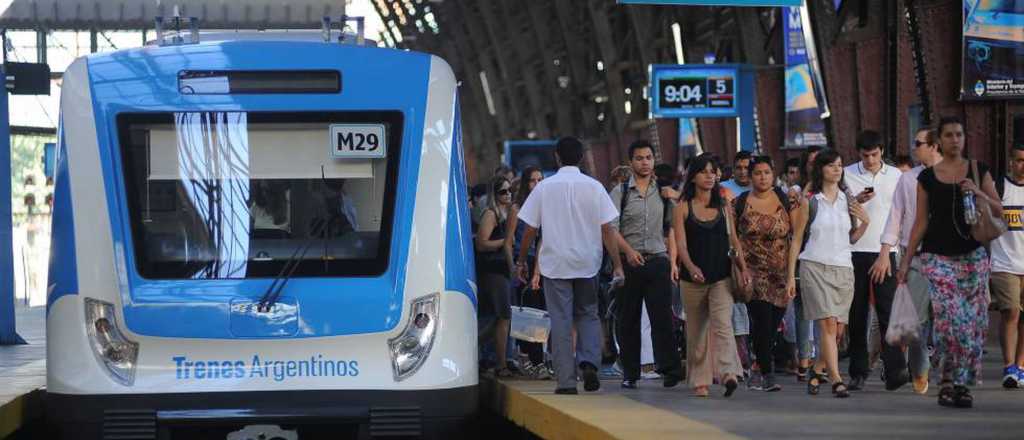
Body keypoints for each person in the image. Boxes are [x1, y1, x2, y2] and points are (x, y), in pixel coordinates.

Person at [897, 116, 1002, 408]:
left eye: (959, 134)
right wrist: (906, 262)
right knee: (949, 322)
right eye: (949, 135)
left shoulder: (979, 170)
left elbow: (1000, 209)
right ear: (939, 141)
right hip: (938, 258)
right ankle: (946, 381)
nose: (955, 140)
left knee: (972, 325)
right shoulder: (927, 178)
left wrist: (978, 191)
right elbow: (919, 223)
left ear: (964, 138)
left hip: (973, 258)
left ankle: (961, 385)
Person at [516, 137, 624, 395]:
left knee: (561, 319)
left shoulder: (544, 188)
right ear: (581, 158)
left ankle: (566, 381)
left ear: (557, 157)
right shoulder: (595, 187)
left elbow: (530, 228)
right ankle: (589, 363)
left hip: (555, 264)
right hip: (588, 262)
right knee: (588, 313)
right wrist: (618, 264)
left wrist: (522, 259)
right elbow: (607, 229)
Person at [608, 140, 685, 389]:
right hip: (630, 263)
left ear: (653, 161)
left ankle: (670, 370)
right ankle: (630, 373)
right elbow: (610, 229)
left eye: (648, 158)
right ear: (631, 162)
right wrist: (627, 252)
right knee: (628, 320)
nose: (644, 162)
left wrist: (672, 261)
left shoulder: (663, 192)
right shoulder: (620, 193)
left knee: (662, 318)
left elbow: (673, 227)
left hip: (657, 261)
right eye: (639, 158)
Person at [674, 153, 747, 398]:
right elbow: (681, 245)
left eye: (713, 171)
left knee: (723, 324)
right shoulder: (682, 207)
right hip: (691, 280)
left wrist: (743, 267)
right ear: (693, 176)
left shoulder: (724, 205)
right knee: (696, 331)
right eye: (704, 171)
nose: (709, 176)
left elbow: (734, 240)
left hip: (721, 276)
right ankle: (700, 380)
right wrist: (691, 266)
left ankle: (728, 373)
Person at [877, 127, 943, 394]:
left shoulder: (955, 176)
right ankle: (921, 368)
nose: (914, 147)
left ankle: (946, 367)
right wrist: (885, 252)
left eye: (918, 143)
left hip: (947, 257)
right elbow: (895, 217)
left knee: (946, 317)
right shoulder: (908, 180)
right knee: (915, 319)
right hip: (914, 257)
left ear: (934, 146)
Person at [800, 149, 870, 398]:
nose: (837, 169)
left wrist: (865, 223)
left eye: (839, 165)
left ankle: (817, 371)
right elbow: (797, 238)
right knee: (828, 325)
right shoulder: (810, 200)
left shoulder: (848, 200)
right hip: (815, 266)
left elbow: (850, 238)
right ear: (821, 170)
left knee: (838, 332)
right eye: (831, 165)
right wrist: (790, 277)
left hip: (843, 268)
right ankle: (836, 379)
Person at [844, 130, 908, 392]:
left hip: (886, 251)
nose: (870, 160)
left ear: (882, 150)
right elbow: (838, 210)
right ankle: (858, 372)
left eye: (874, 154)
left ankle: (894, 370)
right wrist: (855, 201)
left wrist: (891, 250)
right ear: (858, 153)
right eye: (865, 155)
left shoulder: (896, 176)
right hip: (855, 250)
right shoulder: (846, 174)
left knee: (888, 313)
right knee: (856, 314)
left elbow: (902, 214)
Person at [735, 156, 801, 392]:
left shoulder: (785, 199)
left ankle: (756, 362)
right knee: (762, 321)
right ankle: (768, 373)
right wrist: (740, 267)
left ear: (773, 175)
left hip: (782, 272)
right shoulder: (741, 202)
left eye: (766, 172)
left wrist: (794, 271)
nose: (762, 177)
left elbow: (797, 232)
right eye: (757, 173)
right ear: (750, 177)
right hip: (753, 272)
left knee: (773, 324)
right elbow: (732, 237)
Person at [506, 166, 549, 377]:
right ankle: (533, 358)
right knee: (529, 312)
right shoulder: (517, 208)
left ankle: (534, 357)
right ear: (525, 184)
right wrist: (515, 266)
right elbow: (509, 240)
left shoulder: (546, 206)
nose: (538, 184)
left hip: (544, 263)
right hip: (525, 263)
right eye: (533, 180)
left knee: (540, 312)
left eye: (541, 179)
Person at [988, 142, 1024, 388]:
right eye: (1019, 160)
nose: (1023, 165)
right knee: (1010, 311)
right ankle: (1009, 366)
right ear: (1011, 162)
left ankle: (1021, 367)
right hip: (1004, 263)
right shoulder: (1000, 187)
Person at [475, 176, 516, 377]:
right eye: (503, 191)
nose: (507, 194)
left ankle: (496, 359)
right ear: (494, 194)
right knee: (502, 317)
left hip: (502, 270)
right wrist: (504, 241)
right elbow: (481, 243)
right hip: (493, 270)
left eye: (509, 191)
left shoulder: (507, 213)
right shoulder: (491, 214)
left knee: (500, 318)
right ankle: (500, 363)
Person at [718, 151, 754, 376]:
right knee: (735, 309)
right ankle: (739, 359)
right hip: (731, 257)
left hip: (758, 257)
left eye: (747, 167)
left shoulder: (765, 189)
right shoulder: (723, 189)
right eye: (738, 167)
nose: (743, 172)